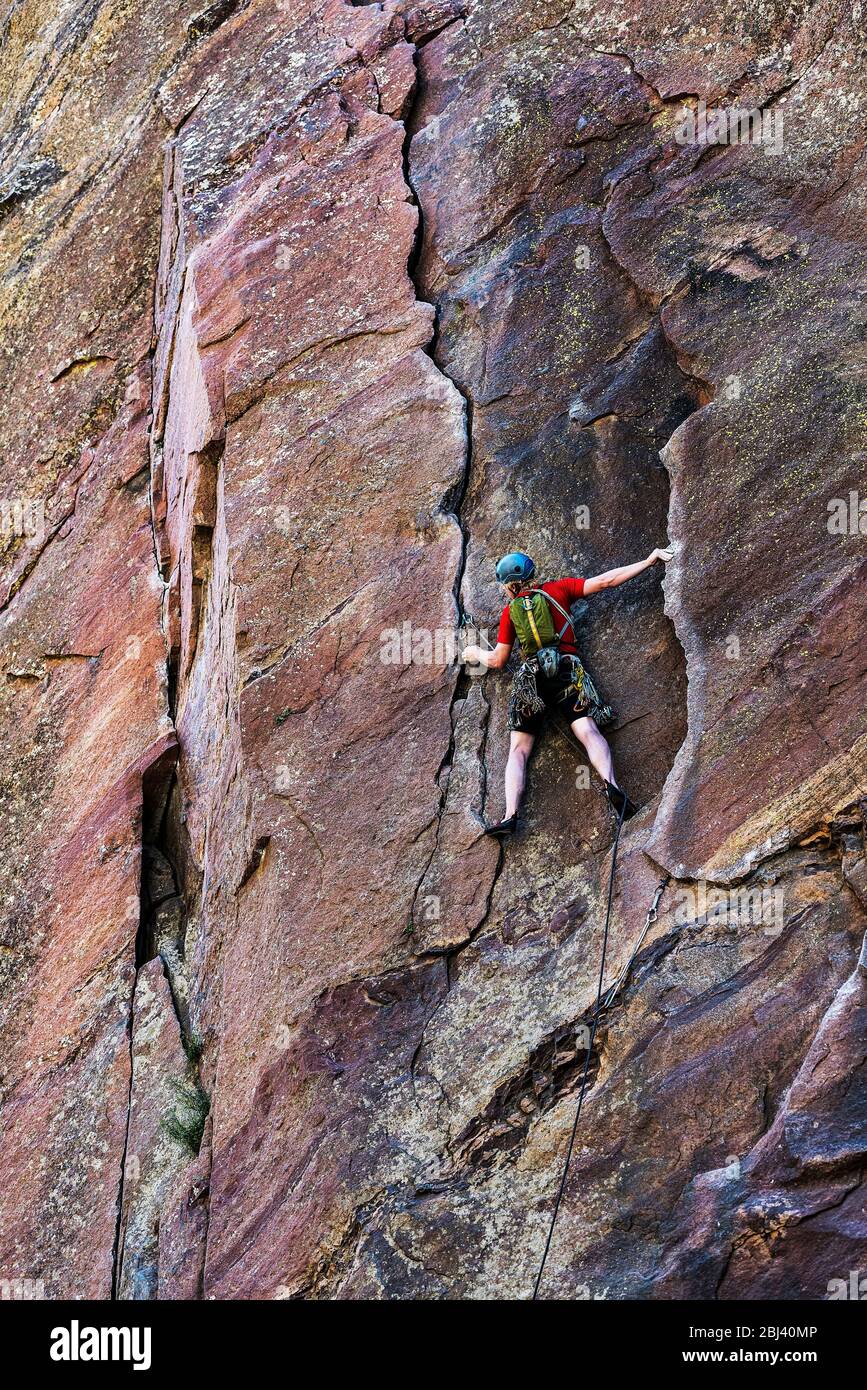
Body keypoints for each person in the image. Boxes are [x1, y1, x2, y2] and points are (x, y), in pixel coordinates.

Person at [461, 548, 673, 836]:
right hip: (566, 671)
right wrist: (648, 561)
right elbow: (606, 581)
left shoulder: (510, 614)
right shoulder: (559, 590)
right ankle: (613, 787)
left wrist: (474, 652)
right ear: (531, 574)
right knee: (587, 731)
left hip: (532, 680)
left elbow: (498, 660)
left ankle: (510, 815)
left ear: (510, 586)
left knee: (519, 750)